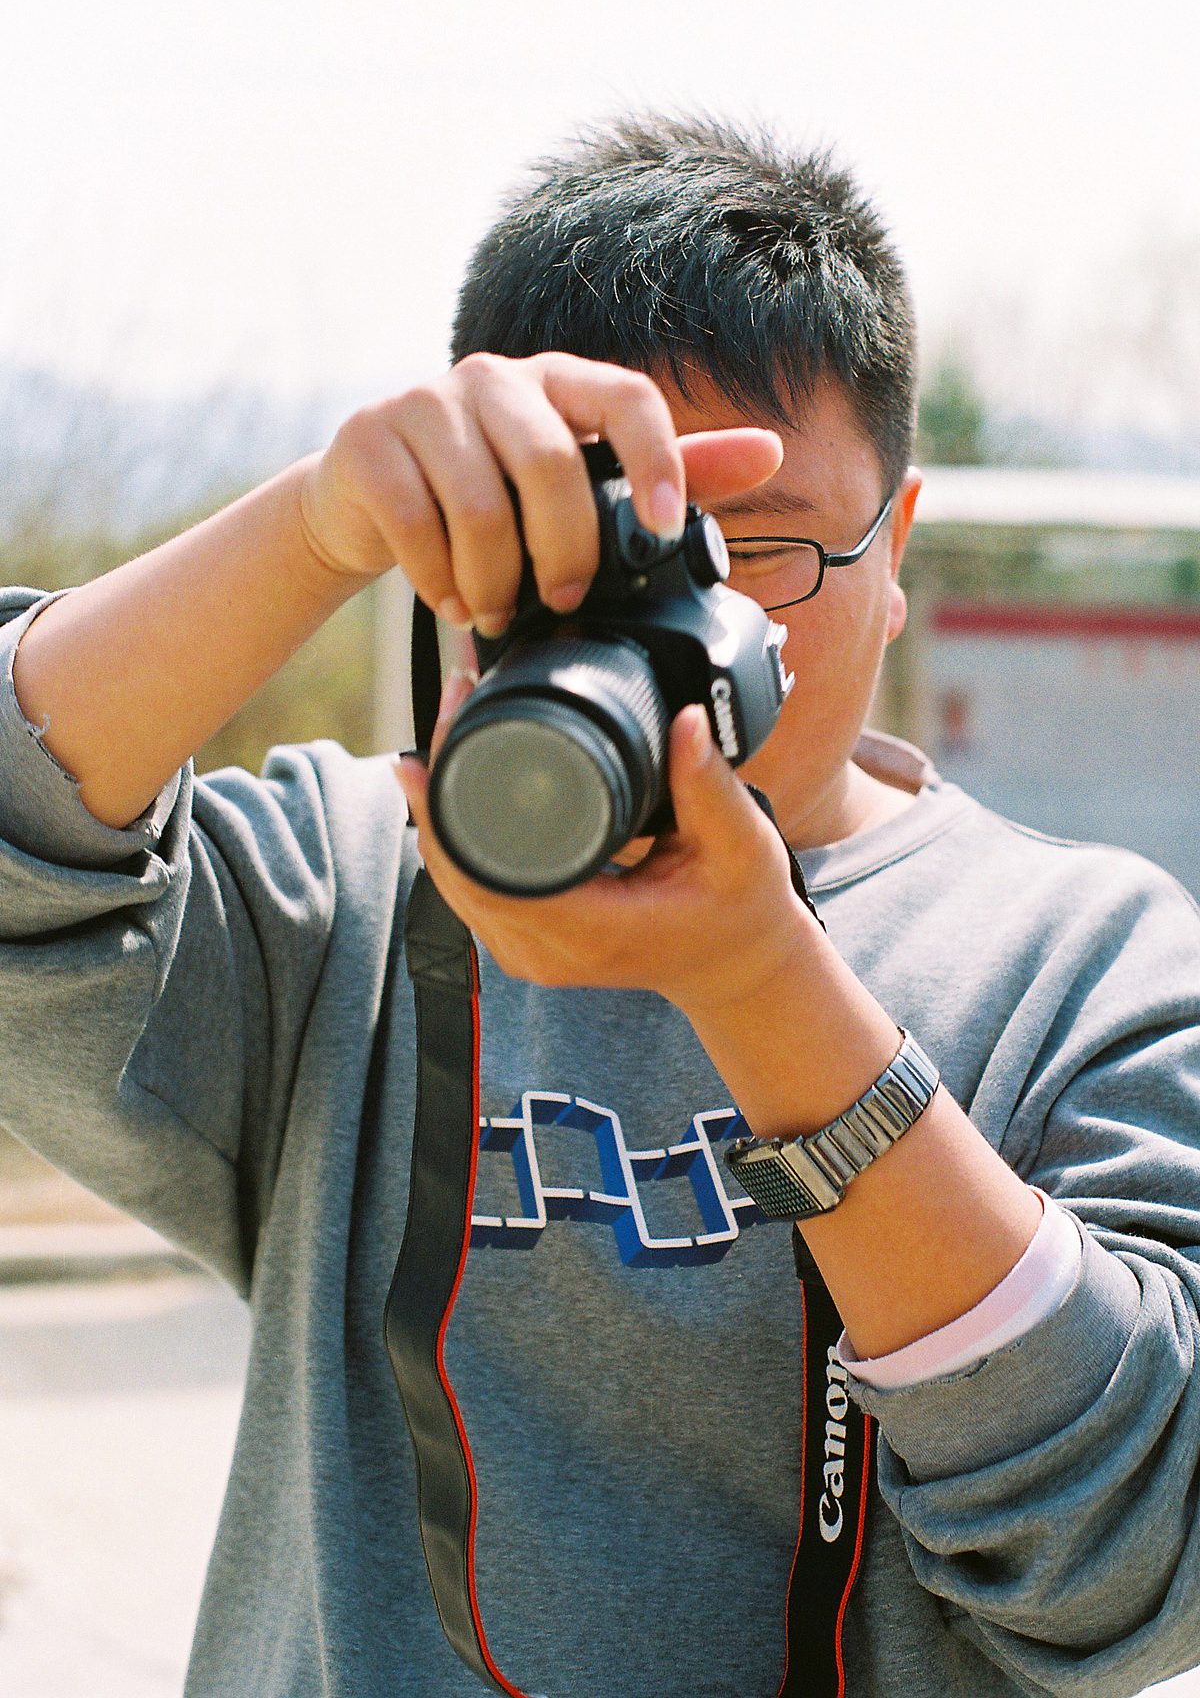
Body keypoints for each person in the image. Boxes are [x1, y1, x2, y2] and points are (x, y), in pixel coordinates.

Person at [2, 113, 1200, 1698]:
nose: (683, 624)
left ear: (896, 548)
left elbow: (1127, 1566)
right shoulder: (358, 884)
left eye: (757, 556)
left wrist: (766, 981)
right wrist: (313, 526)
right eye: (606, 548)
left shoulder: (1081, 961)